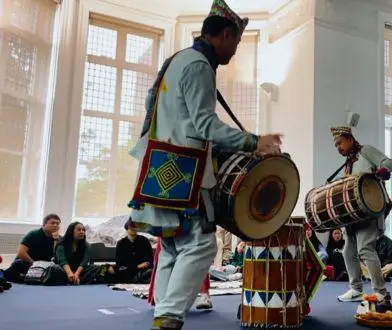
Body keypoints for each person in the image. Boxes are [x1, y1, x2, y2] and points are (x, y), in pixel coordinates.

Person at [127, 1, 283, 328]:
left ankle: (162, 318)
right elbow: (204, 126)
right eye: (236, 43)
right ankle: (169, 317)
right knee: (200, 245)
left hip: (159, 166)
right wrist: (255, 141)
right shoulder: (199, 65)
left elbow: (152, 109)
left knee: (172, 245)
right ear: (225, 34)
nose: (235, 52)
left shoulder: (177, 60)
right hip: (184, 170)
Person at [330, 125, 392, 302]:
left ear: (350, 139)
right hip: (353, 215)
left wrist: (382, 172)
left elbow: (388, 162)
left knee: (365, 249)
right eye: (335, 145)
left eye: (339, 143)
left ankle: (380, 291)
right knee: (347, 252)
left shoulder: (365, 151)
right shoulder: (348, 164)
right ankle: (356, 289)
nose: (338, 147)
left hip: (370, 211)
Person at [3, 214, 61, 282]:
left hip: (44, 267)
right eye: (53, 223)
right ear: (44, 225)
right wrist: (35, 266)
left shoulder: (58, 239)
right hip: (29, 264)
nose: (55, 225)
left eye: (57, 224)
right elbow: (21, 253)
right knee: (18, 264)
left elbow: (57, 257)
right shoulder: (33, 234)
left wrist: (56, 241)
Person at [115, 219, 154, 283]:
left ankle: (140, 277)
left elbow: (150, 259)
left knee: (149, 272)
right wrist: (137, 266)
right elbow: (119, 264)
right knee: (122, 271)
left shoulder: (144, 241)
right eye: (131, 227)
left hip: (144, 270)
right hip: (127, 272)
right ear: (127, 228)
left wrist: (147, 264)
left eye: (135, 227)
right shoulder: (121, 243)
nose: (133, 229)